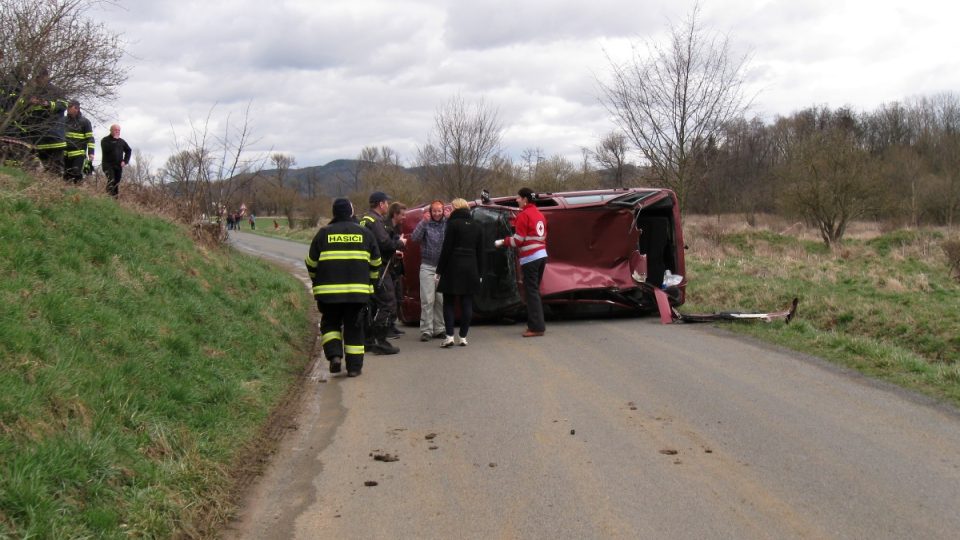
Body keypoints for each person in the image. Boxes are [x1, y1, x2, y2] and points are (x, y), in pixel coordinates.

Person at [305, 198, 381, 377]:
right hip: (357, 294)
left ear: (334, 213)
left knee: (330, 323)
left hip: (328, 294)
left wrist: (317, 282)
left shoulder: (323, 233)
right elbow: (376, 262)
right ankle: (354, 368)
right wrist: (371, 284)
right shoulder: (365, 233)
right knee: (354, 327)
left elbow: (311, 263)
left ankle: (334, 357)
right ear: (351, 212)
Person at [495, 187, 548, 337]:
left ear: (525, 199)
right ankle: (537, 325)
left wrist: (502, 242)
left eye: (518, 197)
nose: (516, 200)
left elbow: (518, 241)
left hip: (530, 258)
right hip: (542, 256)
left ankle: (536, 327)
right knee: (534, 292)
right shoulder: (539, 215)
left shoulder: (523, 215)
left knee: (531, 293)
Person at [360, 191, 406, 355]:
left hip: (367, 267)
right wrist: (399, 243)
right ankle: (381, 341)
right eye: (386, 203)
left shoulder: (365, 220)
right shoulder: (375, 221)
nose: (387, 205)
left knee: (372, 304)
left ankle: (368, 340)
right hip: (379, 267)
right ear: (381, 204)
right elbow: (385, 243)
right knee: (387, 303)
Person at [436, 198, 485, 347]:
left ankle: (449, 336)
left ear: (456, 208)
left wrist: (439, 270)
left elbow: (446, 249)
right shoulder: (478, 226)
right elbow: (481, 252)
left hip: (453, 265)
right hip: (471, 267)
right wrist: (480, 273)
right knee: (467, 303)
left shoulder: (452, 224)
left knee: (449, 302)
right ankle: (463, 336)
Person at [410, 199, 447, 341]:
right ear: (430, 212)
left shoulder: (446, 223)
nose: (437, 213)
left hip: (442, 268)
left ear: (443, 211)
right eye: (434, 211)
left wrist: (450, 219)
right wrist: (423, 222)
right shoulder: (425, 224)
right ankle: (426, 330)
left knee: (440, 300)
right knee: (427, 300)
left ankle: (440, 329)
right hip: (427, 266)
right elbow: (414, 238)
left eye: (439, 211)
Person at [23, 68, 67, 176]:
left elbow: (63, 105)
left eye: (40, 78)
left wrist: (48, 104)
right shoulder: (32, 92)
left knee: (56, 168)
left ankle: (55, 188)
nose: (38, 80)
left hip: (54, 136)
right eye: (36, 78)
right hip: (38, 137)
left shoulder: (56, 91)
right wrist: (29, 102)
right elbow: (22, 108)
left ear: (46, 77)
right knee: (42, 167)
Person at [385, 201, 408, 339]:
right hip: (388, 266)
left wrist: (401, 246)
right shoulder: (386, 227)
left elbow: (400, 245)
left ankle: (392, 325)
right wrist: (398, 245)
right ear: (395, 214)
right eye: (403, 214)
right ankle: (386, 327)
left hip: (397, 267)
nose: (405, 217)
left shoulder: (398, 227)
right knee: (389, 298)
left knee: (398, 297)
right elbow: (388, 245)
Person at [63, 100, 94, 184]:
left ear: (77, 109)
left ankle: (79, 191)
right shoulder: (63, 120)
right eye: (68, 107)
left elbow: (90, 138)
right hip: (65, 154)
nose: (68, 109)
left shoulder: (85, 122)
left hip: (78, 154)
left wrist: (91, 153)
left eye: (70, 107)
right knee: (66, 177)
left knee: (76, 174)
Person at [100, 124, 131, 198]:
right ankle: (108, 197)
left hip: (118, 166)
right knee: (111, 179)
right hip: (108, 165)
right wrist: (114, 140)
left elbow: (128, 150)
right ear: (111, 130)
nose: (117, 132)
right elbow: (106, 149)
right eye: (115, 130)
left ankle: (115, 199)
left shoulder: (121, 141)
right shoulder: (105, 140)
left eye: (119, 130)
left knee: (116, 182)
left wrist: (125, 161)